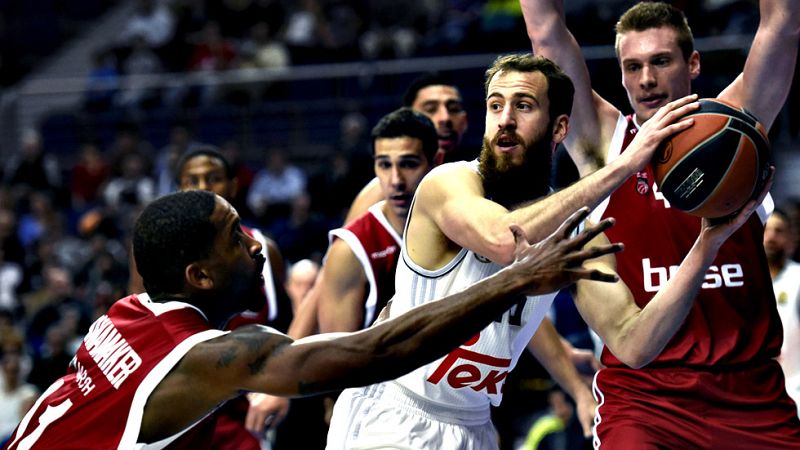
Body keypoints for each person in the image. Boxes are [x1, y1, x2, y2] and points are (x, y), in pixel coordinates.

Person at [3, 189, 621, 449]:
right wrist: (518, 279)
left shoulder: (130, 312)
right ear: (199, 276)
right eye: (233, 236)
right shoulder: (203, 358)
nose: (254, 243)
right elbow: (371, 355)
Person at [326, 53, 714, 450]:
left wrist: (709, 242)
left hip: (474, 424)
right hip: (393, 411)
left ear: (559, 127)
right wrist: (626, 164)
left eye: (523, 106)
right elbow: (505, 241)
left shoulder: (575, 231)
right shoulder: (448, 182)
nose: (505, 119)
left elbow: (633, 344)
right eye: (495, 105)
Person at [523, 0, 800, 447]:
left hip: (750, 397)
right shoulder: (606, 144)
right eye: (632, 67)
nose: (646, 79)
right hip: (645, 401)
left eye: (661, 61)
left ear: (693, 63)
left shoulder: (737, 128)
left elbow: (783, 25)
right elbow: (545, 31)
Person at [317, 107, 438, 333]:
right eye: (384, 164)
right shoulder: (350, 251)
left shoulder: (458, 227)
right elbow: (337, 352)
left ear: (435, 163)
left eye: (409, 164)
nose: (396, 180)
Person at [344, 73, 470, 223]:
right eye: (430, 109)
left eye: (454, 109)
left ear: (465, 121)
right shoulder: (381, 194)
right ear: (407, 117)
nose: (445, 118)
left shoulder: (482, 172)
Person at [764, 208, 800, 417]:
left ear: (791, 239)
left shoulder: (797, 278)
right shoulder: (744, 278)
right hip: (756, 388)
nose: (771, 237)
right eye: (766, 230)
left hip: (794, 387)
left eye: (778, 231)